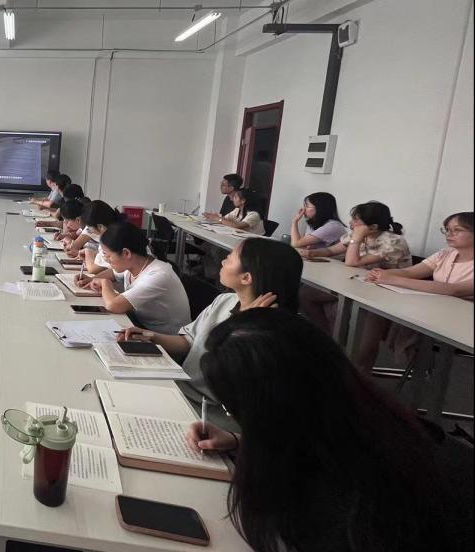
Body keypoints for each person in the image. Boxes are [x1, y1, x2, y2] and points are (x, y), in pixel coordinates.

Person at [185, 310, 469, 552]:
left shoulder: (353, 512)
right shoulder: (375, 426)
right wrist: (239, 441)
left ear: (271, 411)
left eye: (232, 410)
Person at [119, 238, 303, 407]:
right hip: (181, 387)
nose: (222, 262)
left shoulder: (270, 330)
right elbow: (189, 342)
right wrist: (152, 337)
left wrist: (246, 323)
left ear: (246, 278)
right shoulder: (225, 300)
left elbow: (235, 383)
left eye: (229, 259)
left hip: (213, 410)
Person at [299, 202, 412, 370]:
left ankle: (361, 372)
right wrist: (312, 253)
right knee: (306, 295)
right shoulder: (357, 233)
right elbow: (331, 251)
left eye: (356, 221)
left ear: (373, 227)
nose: (351, 223)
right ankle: (329, 341)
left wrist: (357, 238)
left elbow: (352, 262)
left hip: (386, 294)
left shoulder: (393, 241)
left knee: (363, 345)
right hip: (358, 284)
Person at [85, 222, 191, 333]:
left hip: (163, 338)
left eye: (107, 255)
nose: (106, 260)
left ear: (126, 253)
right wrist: (90, 279)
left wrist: (105, 282)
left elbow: (113, 305)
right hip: (139, 326)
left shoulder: (158, 276)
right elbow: (113, 272)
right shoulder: (134, 264)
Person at [367, 212, 473, 299]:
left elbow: (455, 290)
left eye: (457, 230)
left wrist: (392, 279)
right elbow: (409, 272)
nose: (449, 234)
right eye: (447, 229)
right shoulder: (446, 253)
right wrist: (381, 274)